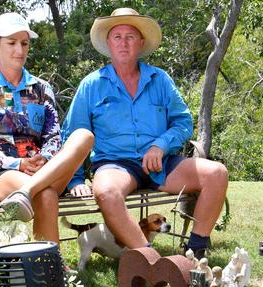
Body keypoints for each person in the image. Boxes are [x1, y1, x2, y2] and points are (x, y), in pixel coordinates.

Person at [62, 8, 228, 259]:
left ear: (141, 43)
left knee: (217, 173)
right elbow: (74, 133)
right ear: (108, 43)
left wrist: (161, 145)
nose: (124, 43)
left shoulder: (160, 80)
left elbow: (183, 122)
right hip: (116, 164)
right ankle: (149, 259)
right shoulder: (92, 85)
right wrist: (74, 180)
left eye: (130, 36)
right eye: (117, 36)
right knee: (106, 192)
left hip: (162, 162)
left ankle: (196, 250)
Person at [0, 13, 94, 242]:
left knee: (84, 136)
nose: (20, 51)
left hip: (44, 170)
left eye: (24, 43)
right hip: (0, 175)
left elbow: (54, 137)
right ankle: (51, 267)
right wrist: (18, 164)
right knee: (46, 194)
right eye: (11, 43)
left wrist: (43, 158)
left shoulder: (42, 88)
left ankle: (27, 195)